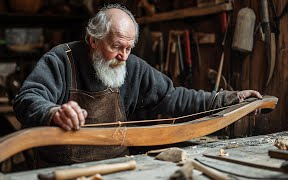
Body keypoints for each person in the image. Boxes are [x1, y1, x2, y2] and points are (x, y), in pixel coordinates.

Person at [13, 4, 262, 167]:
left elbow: (174, 97)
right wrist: (53, 112)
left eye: (129, 48)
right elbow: (27, 99)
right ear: (93, 40)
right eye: (116, 47)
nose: (124, 56)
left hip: (116, 169)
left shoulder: (133, 67)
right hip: (62, 172)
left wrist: (229, 99)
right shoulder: (60, 60)